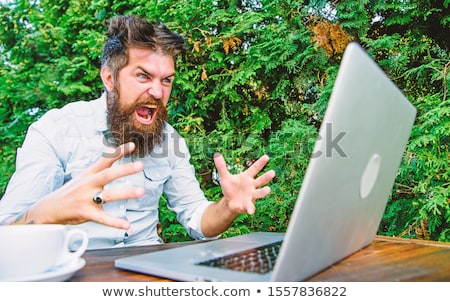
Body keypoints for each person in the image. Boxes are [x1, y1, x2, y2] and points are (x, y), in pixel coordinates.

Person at [0, 14, 275, 249]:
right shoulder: (56, 130)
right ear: (109, 78)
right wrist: (46, 213)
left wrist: (227, 206)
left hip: (149, 279)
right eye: (143, 76)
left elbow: (197, 218)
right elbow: (6, 232)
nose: (157, 92)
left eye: (166, 80)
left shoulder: (170, 140)